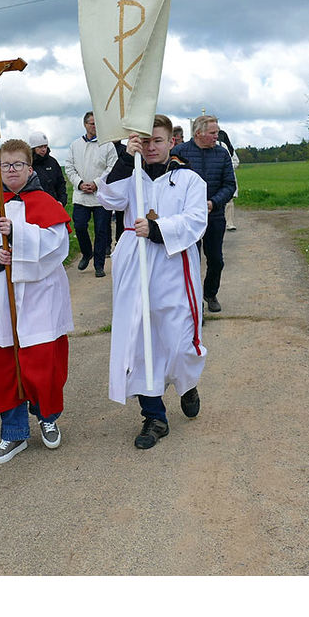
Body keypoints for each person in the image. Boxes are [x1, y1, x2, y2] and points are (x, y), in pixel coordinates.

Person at [0, 139, 74, 465]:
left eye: (18, 164)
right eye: (6, 165)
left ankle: (48, 418)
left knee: (42, 361)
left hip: (38, 298)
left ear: (30, 168)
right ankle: (14, 432)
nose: (12, 170)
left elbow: (56, 246)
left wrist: (18, 233)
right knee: (3, 365)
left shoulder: (46, 203)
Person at [97, 114, 208, 450]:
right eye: (144, 142)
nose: (150, 148)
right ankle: (154, 415)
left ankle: (186, 381)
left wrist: (158, 230)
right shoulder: (131, 173)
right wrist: (121, 156)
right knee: (140, 337)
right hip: (135, 261)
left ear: (171, 141)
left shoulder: (188, 179)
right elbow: (109, 198)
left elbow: (195, 219)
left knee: (177, 338)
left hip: (173, 263)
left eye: (156, 141)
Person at [171, 115, 236, 313]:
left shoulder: (222, 154)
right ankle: (194, 300)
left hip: (213, 216)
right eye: (213, 133)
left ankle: (210, 293)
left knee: (216, 259)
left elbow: (229, 185)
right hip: (187, 218)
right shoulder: (179, 152)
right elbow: (170, 182)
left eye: (217, 132)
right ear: (198, 133)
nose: (217, 136)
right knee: (191, 260)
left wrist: (213, 203)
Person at [65, 111, 118, 278]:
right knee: (79, 226)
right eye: (91, 123)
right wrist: (80, 183)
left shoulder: (107, 145)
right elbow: (69, 167)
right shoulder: (75, 145)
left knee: (102, 230)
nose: (94, 126)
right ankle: (87, 253)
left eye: (97, 123)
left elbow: (112, 167)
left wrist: (96, 183)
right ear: (85, 125)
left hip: (101, 195)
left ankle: (99, 265)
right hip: (81, 195)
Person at [28, 131, 67, 207]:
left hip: (54, 204)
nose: (43, 149)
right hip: (35, 206)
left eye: (45, 146)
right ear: (33, 148)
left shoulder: (53, 162)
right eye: (40, 147)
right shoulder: (27, 164)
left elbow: (60, 183)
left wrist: (62, 201)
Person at [216, 128, 240, 231]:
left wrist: (228, 167)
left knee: (229, 200)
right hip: (216, 177)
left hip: (227, 176)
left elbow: (236, 161)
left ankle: (229, 223)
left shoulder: (228, 148)